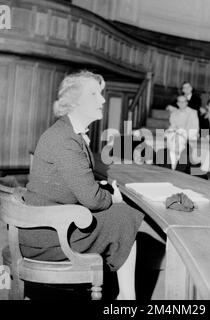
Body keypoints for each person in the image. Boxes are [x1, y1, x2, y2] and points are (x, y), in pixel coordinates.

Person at [20, 71, 144, 300]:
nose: (103, 100)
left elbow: (78, 183)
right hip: (47, 237)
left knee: (121, 214)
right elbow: (92, 199)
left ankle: (127, 296)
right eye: (94, 94)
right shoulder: (66, 139)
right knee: (125, 214)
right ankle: (128, 298)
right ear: (74, 100)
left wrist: (102, 190)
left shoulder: (68, 131)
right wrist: (112, 198)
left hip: (47, 225)